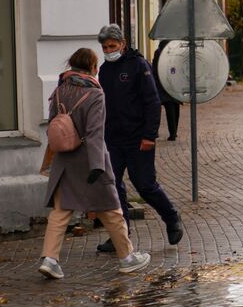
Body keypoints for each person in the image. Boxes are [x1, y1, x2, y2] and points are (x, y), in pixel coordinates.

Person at [38, 48, 151, 279]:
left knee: (60, 212)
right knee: (111, 210)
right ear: (92, 67)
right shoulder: (95, 94)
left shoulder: (60, 89)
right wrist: (98, 166)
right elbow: (95, 134)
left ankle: (50, 259)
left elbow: (52, 122)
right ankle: (127, 257)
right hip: (90, 160)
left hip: (64, 161)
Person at [95, 24, 184, 253]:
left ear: (123, 44)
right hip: (113, 140)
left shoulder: (138, 66)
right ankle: (120, 236)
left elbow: (152, 102)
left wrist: (149, 135)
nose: (108, 50)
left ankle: (172, 217)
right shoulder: (104, 71)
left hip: (138, 139)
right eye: (105, 47)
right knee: (113, 187)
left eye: (112, 46)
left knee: (145, 185)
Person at [150, 39, 181, 141]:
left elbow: (155, 69)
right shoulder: (171, 51)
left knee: (169, 108)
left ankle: (169, 133)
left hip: (163, 84)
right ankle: (173, 132)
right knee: (173, 107)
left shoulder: (160, 51)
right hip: (170, 84)